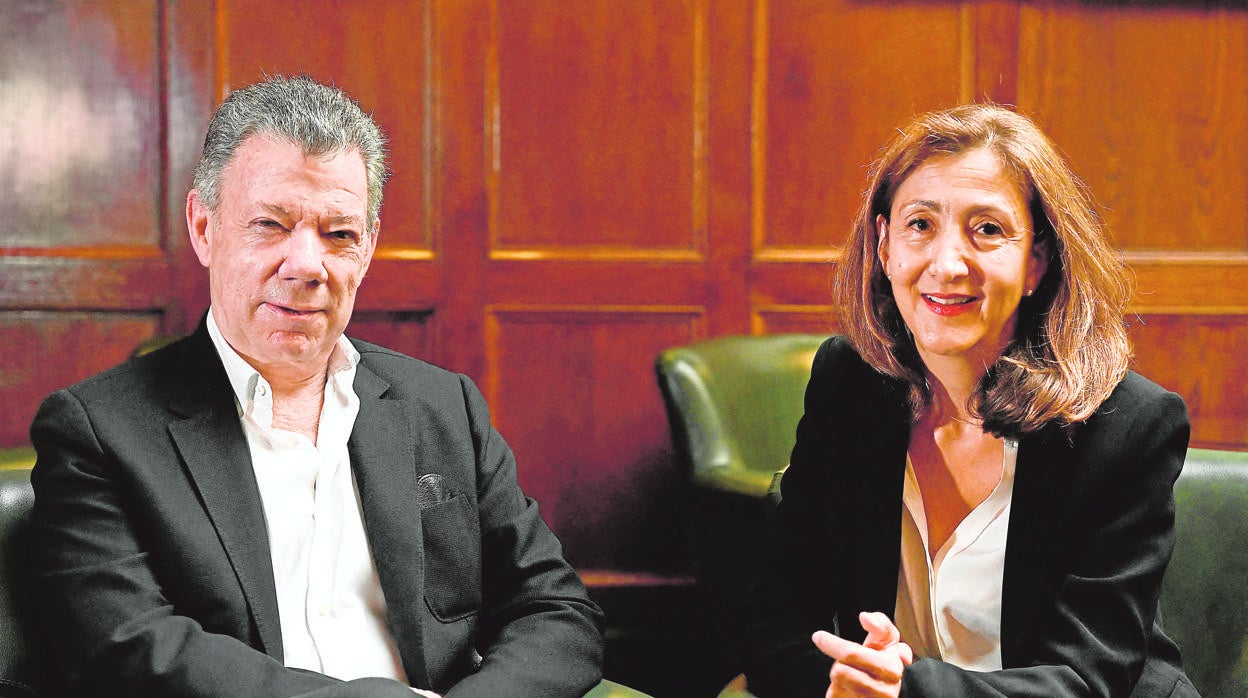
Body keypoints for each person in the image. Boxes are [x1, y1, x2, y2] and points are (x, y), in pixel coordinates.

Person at [28, 75, 604, 697]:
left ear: (368, 249)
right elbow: (128, 646)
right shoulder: (98, 430)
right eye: (271, 224)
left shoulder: (444, 409)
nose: (306, 265)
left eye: (339, 234)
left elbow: (556, 612)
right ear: (203, 227)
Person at [743, 104, 1197, 697]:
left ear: (1037, 261)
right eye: (920, 225)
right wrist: (838, 686)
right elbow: (780, 622)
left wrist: (904, 690)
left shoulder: (1126, 425)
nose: (947, 263)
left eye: (987, 230)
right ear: (884, 247)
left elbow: (1086, 679)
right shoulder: (848, 384)